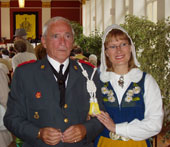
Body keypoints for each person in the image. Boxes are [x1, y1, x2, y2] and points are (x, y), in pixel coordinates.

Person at [4, 16, 104, 147]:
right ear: (44, 42)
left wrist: (85, 129)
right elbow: (11, 118)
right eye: (56, 36)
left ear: (73, 41)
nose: (63, 42)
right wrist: (38, 133)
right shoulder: (25, 74)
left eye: (67, 36)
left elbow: (102, 116)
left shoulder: (89, 74)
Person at [94, 24, 164, 147]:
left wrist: (117, 128)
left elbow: (155, 124)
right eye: (112, 46)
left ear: (130, 47)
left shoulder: (146, 81)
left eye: (123, 44)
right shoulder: (97, 82)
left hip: (137, 144)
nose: (119, 50)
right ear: (106, 52)